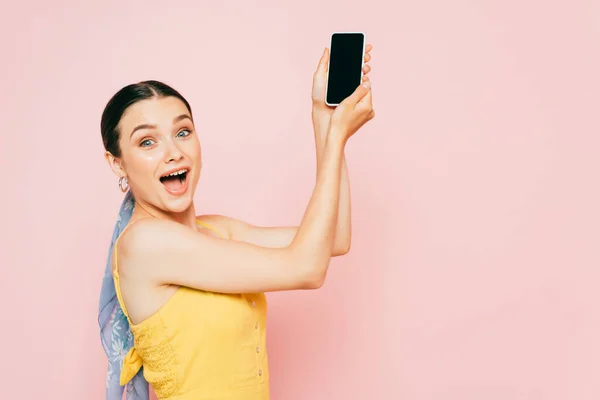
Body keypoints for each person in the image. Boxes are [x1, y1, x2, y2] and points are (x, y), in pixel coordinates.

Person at [98, 44, 375, 400]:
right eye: (147, 141)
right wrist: (335, 137)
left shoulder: (217, 231)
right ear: (118, 164)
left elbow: (334, 237)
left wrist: (323, 118)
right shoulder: (144, 244)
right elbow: (307, 268)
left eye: (182, 132)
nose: (173, 152)